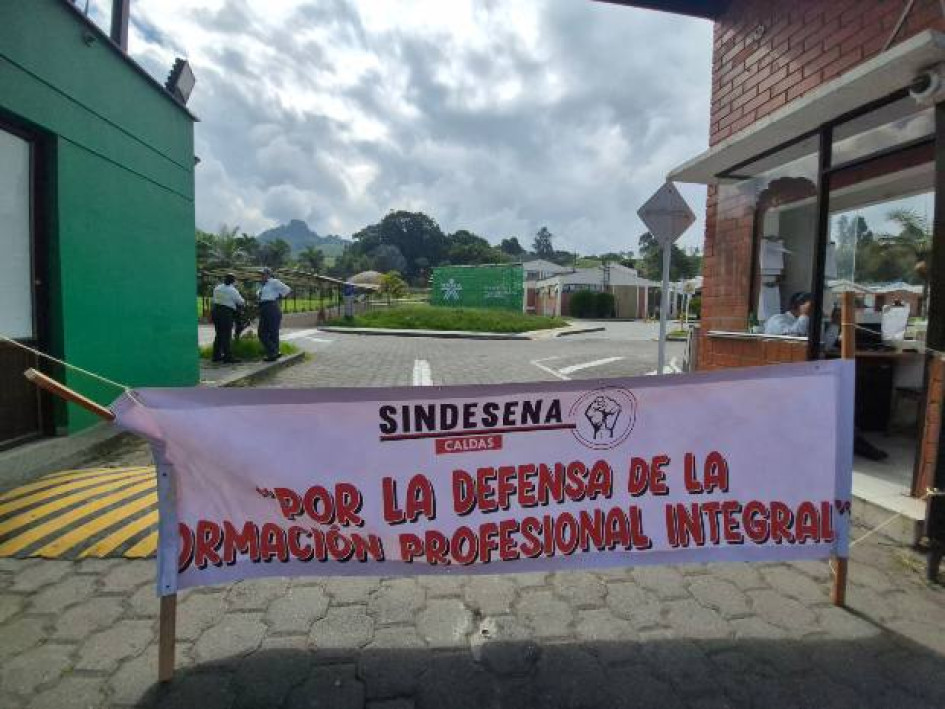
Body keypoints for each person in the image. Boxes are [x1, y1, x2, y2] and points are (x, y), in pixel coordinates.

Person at [257, 267, 291, 362]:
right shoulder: (263, 285)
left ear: (268, 275)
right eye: (261, 274)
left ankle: (273, 353)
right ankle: (275, 352)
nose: (261, 276)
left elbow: (287, 290)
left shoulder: (274, 282)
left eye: (263, 274)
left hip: (271, 307)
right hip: (264, 308)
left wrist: (278, 298)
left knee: (271, 332)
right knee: (263, 333)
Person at [211, 274, 245, 363]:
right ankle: (228, 356)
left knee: (219, 334)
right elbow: (241, 301)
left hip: (215, 311)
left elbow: (214, 299)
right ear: (233, 281)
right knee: (226, 335)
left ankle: (216, 355)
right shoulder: (232, 290)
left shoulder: (217, 288)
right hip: (225, 313)